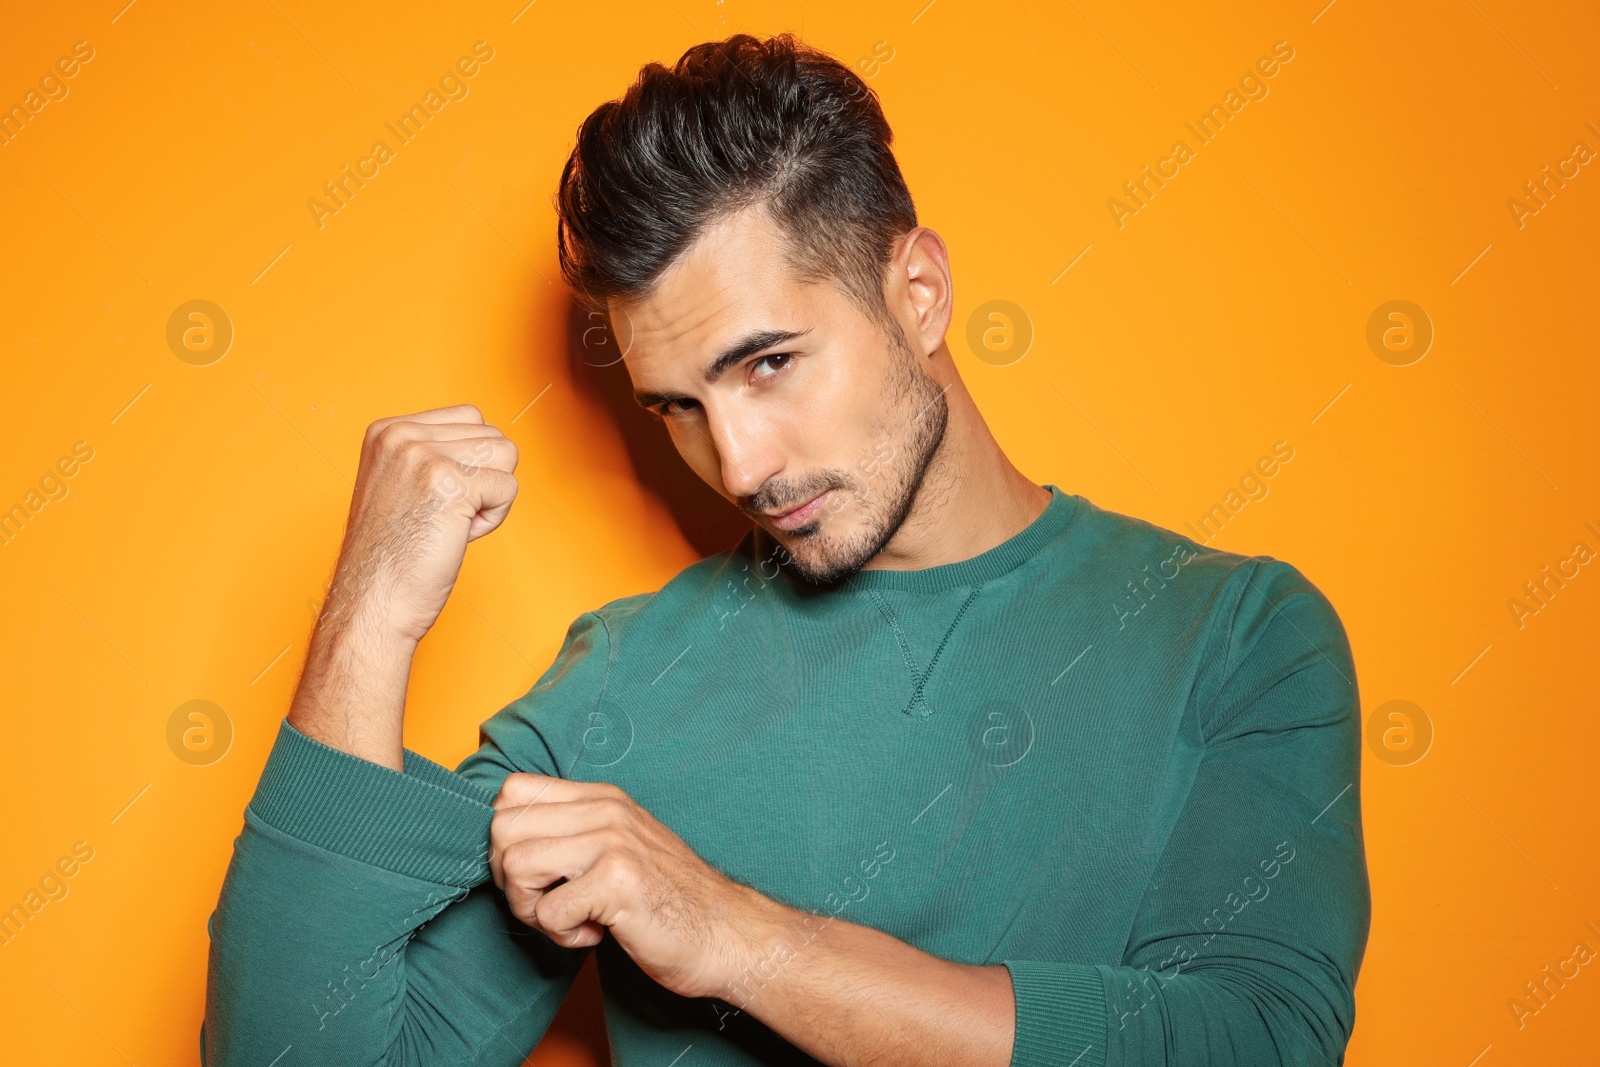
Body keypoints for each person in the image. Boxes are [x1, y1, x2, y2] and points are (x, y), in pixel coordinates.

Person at [202, 32, 1369, 1067]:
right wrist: (366, 621)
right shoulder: (616, 686)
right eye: (676, 408)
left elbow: (1257, 1038)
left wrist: (729, 934)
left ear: (917, 290)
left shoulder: (1234, 634)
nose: (741, 463)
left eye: (768, 364)